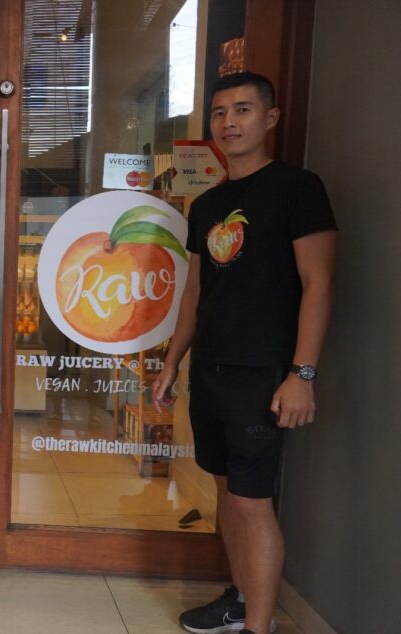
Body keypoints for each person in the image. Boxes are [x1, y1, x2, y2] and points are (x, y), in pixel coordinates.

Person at [153, 72, 337, 634]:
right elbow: (195, 290)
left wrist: (302, 373)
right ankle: (239, 601)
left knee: (253, 500)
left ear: (270, 118)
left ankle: (259, 626)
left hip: (263, 373)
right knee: (226, 490)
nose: (228, 122)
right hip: (210, 370)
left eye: (242, 110)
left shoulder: (298, 188)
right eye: (219, 112)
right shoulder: (208, 203)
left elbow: (319, 283)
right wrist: (172, 361)